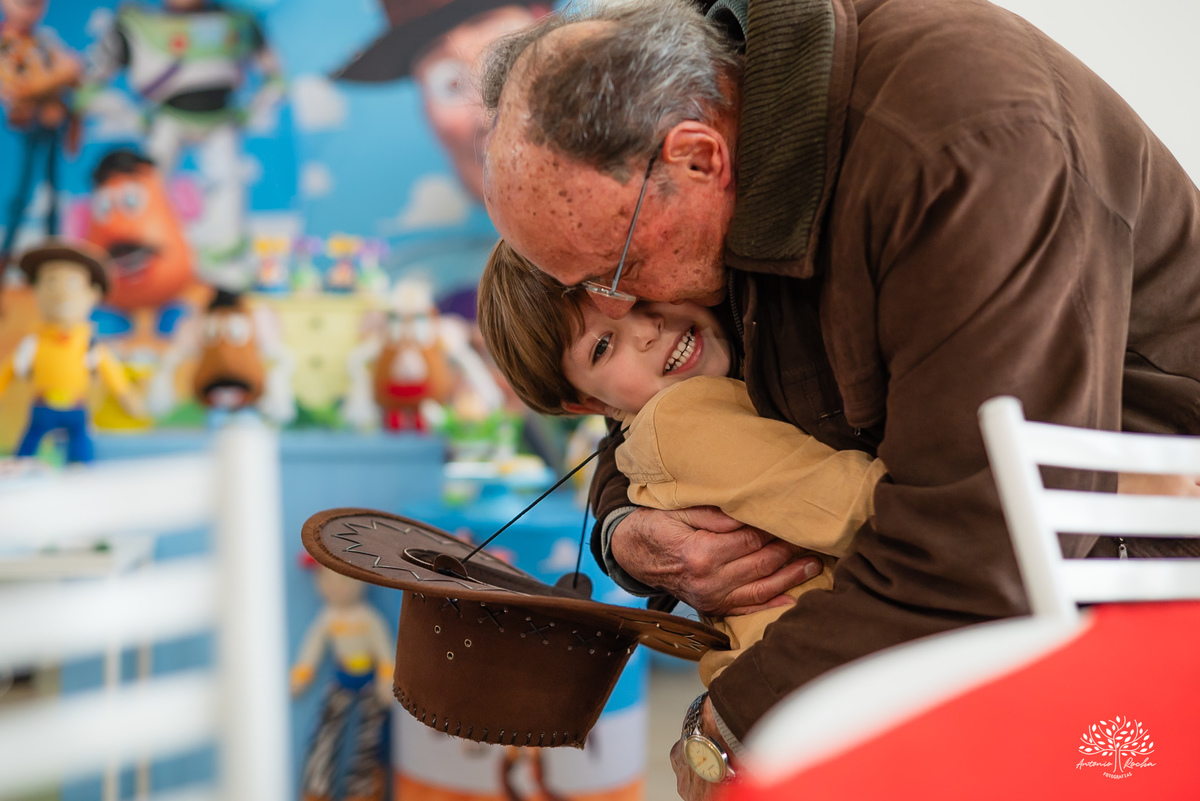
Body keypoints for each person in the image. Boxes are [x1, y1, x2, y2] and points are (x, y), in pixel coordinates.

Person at [477, 0, 1200, 793]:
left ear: (697, 158)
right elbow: (649, 422)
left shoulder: (966, 149)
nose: (624, 312)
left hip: (1129, 599)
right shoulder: (721, 131)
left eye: (607, 277)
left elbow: (982, 549)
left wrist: (731, 728)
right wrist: (624, 532)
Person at [478, 238, 885, 686]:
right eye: (603, 347)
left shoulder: (671, 402)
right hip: (830, 677)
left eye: (631, 283)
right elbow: (857, 507)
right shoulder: (678, 418)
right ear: (586, 404)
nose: (647, 328)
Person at [0, 241, 143, 463]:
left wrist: (127, 396)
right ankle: (21, 470)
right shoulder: (33, 343)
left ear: (92, 294)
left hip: (76, 407)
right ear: (36, 292)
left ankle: (80, 475)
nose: (61, 292)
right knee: (28, 447)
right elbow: (8, 370)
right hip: (42, 406)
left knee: (81, 447)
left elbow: (111, 372)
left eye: (73, 282)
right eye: (50, 281)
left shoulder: (90, 345)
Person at [0, 0, 80, 272]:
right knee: (17, 198)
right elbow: (16, 88)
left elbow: (75, 72)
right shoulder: (6, 44)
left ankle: (51, 266)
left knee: (53, 198)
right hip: (21, 134)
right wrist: (60, 76)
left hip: (52, 129)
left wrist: (63, 75)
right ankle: (5, 261)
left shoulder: (44, 41)